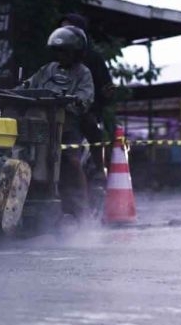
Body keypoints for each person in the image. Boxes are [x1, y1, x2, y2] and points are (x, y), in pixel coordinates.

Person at [24, 25, 94, 219]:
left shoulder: (83, 73)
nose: (60, 55)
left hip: (67, 126)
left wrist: (75, 100)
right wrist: (9, 91)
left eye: (65, 51)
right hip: (41, 125)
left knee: (71, 160)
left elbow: (86, 97)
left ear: (77, 53)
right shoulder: (47, 69)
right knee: (27, 154)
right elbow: (27, 85)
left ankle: (83, 208)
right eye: (57, 51)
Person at [59, 13, 114, 180]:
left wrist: (94, 104)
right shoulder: (57, 58)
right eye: (61, 30)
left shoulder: (93, 58)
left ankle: (99, 168)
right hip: (59, 111)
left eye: (67, 29)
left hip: (85, 111)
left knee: (89, 126)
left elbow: (107, 88)